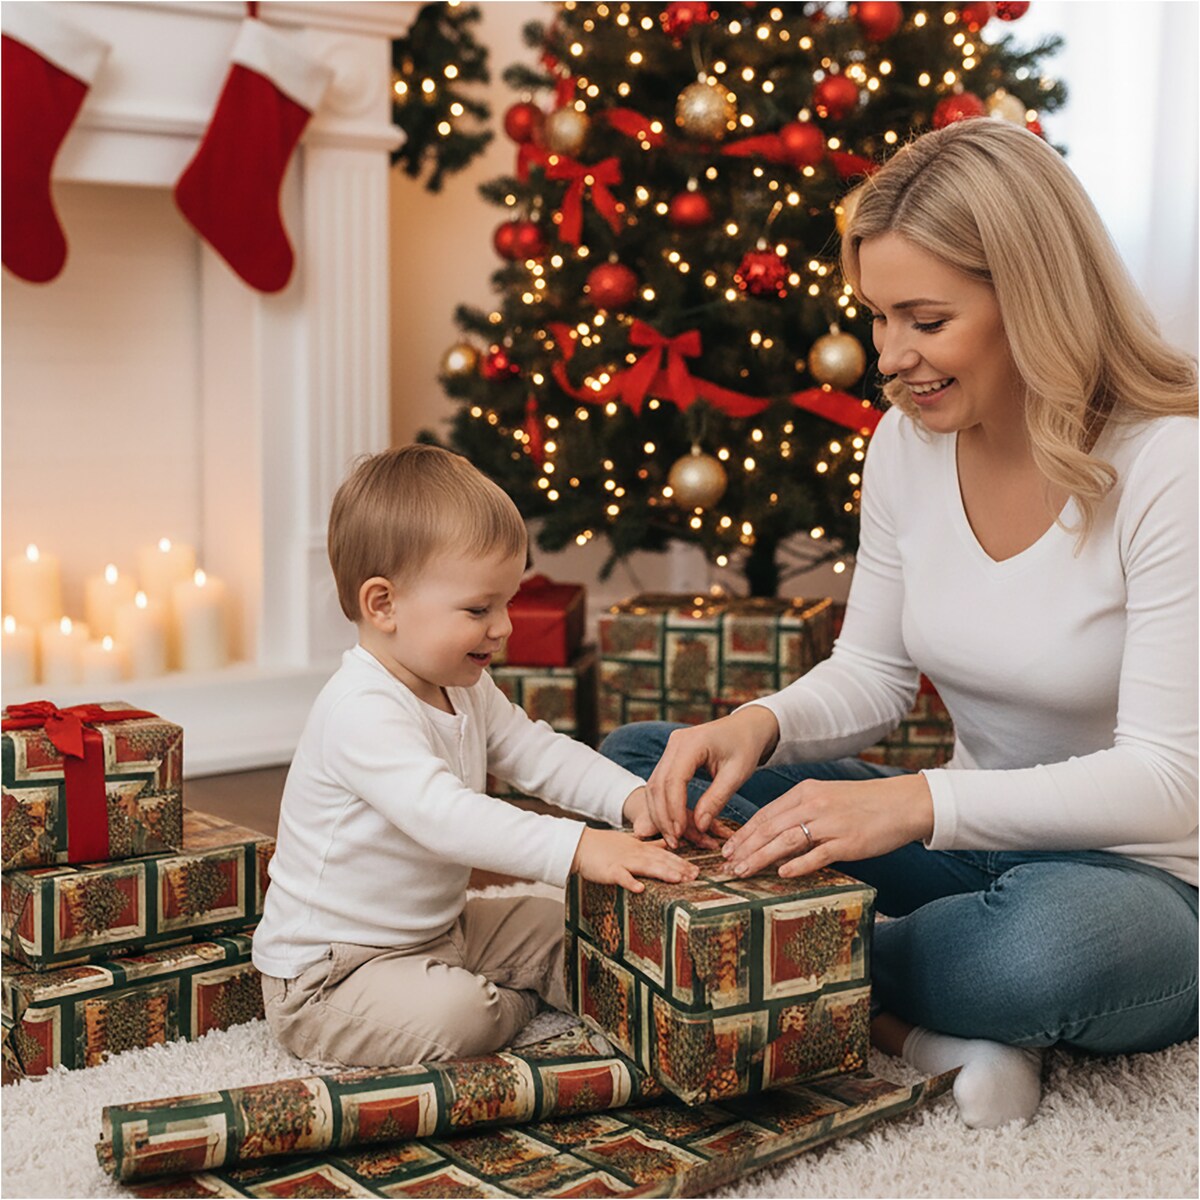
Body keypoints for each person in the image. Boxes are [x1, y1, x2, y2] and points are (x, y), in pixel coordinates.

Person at [601, 119, 1198, 1129]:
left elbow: (1167, 783)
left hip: (1150, 885)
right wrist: (760, 725)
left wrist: (916, 806)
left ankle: (766, 954)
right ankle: (913, 1019)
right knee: (644, 769)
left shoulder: (1167, 466)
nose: (890, 357)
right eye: (878, 318)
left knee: (1042, 956)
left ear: (1032, 296)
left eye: (924, 319)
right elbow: (872, 676)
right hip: (968, 845)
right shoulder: (906, 446)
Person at [253, 444, 696, 1068]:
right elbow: (448, 817)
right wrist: (579, 848)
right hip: (333, 975)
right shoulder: (360, 708)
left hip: (441, 931)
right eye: (479, 609)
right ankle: (511, 1005)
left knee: (562, 928)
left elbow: (535, 751)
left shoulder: (462, 684)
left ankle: (618, 995)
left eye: (507, 602)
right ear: (384, 605)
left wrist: (631, 799)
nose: (505, 626)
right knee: (461, 1017)